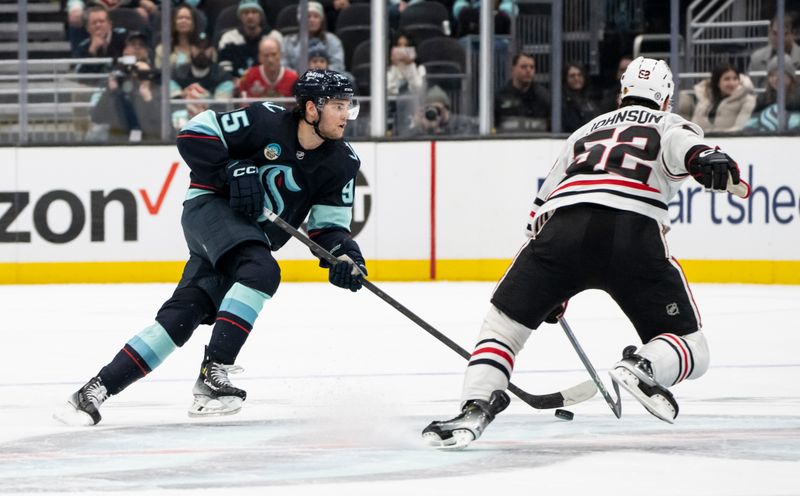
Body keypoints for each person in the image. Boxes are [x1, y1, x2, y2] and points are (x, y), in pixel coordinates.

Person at [422, 57, 749, 449]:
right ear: (666, 98)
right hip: (632, 235)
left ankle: (473, 406)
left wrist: (547, 287)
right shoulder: (669, 123)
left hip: (560, 234)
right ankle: (643, 366)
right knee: (693, 349)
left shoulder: (582, 133)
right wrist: (711, 161)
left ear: (622, 93)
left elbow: (538, 212)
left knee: (503, 328)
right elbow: (691, 151)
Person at [56, 70, 367, 426]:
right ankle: (212, 374)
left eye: (348, 106)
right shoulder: (263, 119)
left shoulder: (343, 162)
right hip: (210, 209)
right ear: (312, 109)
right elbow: (193, 132)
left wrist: (346, 257)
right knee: (262, 270)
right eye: (339, 106)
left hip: (246, 240)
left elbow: (328, 228)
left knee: (181, 318)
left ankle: (92, 392)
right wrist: (229, 170)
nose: (346, 115)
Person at [86, 32, 162, 142]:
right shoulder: (117, 78)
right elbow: (97, 117)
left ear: (147, 52)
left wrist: (146, 90)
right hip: (119, 139)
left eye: (141, 45)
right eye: (132, 45)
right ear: (124, 51)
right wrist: (113, 91)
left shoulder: (155, 79)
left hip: (149, 138)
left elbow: (162, 123)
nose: (136, 48)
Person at [170, 33, 235, 130]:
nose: (202, 51)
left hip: (211, 128)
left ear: (212, 50)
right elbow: (174, 104)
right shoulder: (177, 73)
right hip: (181, 127)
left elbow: (220, 109)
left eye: (206, 47)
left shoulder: (223, 76)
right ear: (191, 49)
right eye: (197, 47)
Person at [682, 63, 756, 133]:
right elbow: (695, 125)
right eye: (727, 79)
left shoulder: (748, 100)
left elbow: (739, 128)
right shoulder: (705, 98)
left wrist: (715, 136)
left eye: (735, 79)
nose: (732, 83)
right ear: (717, 82)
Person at [218, 0, 280, 83]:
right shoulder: (228, 38)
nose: (250, 16)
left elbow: (280, 65)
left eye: (254, 12)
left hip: (267, 84)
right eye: (246, 13)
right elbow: (224, 69)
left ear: (261, 16)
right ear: (240, 16)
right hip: (235, 86)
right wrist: (234, 81)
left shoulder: (273, 37)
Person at [282, 1, 346, 73]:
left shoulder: (332, 40)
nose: (312, 20)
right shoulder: (288, 42)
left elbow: (338, 66)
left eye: (316, 16)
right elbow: (284, 68)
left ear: (321, 20)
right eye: (308, 16)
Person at [494, 52, 550, 132]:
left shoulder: (544, 96)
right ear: (513, 69)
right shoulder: (500, 97)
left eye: (532, 67)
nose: (528, 70)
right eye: (524, 67)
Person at [744, 55, 800, 132]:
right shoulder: (763, 98)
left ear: (791, 77)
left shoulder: (798, 98)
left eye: (781, 74)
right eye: (771, 75)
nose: (775, 79)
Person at [748, 13, 800, 87]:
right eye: (775, 33)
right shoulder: (757, 58)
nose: (779, 39)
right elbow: (751, 90)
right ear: (769, 32)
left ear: (794, 34)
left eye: (784, 34)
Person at [75, 5, 129, 74]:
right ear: (87, 28)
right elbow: (80, 75)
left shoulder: (123, 37)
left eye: (102, 21)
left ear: (110, 24)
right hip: (95, 84)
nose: (98, 25)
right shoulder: (83, 46)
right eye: (94, 23)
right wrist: (92, 51)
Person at [406, 85, 478, 136]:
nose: (434, 111)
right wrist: (417, 126)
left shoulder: (461, 123)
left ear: (446, 110)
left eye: (437, 109)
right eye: (429, 108)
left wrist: (438, 131)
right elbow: (407, 143)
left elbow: (461, 144)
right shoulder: (425, 123)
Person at [154, 3, 202, 69]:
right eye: (180, 18)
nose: (183, 21)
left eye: (188, 18)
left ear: (193, 23)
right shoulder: (162, 50)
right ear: (174, 22)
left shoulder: (202, 50)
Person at [562, 62, 601, 132]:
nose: (576, 78)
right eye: (572, 76)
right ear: (565, 79)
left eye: (579, 75)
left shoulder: (591, 98)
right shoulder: (563, 102)